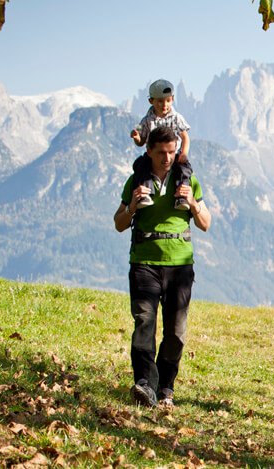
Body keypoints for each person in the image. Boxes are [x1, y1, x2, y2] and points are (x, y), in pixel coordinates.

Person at [113, 126, 211, 408]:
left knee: (176, 330)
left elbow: (206, 223)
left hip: (180, 264)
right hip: (144, 261)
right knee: (144, 322)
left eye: (171, 152)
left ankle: (166, 385)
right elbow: (119, 223)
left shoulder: (188, 180)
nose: (167, 158)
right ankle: (145, 383)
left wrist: (191, 202)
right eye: (161, 153)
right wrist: (132, 205)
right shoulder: (137, 180)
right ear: (149, 152)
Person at [129, 78, 193, 211]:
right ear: (151, 101)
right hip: (153, 155)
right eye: (160, 101)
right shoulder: (146, 120)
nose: (164, 105)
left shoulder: (176, 118)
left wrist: (183, 153)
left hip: (174, 154)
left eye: (168, 101)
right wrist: (136, 137)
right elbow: (141, 142)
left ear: (173, 99)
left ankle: (182, 197)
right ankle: (145, 194)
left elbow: (185, 137)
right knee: (140, 167)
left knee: (184, 170)